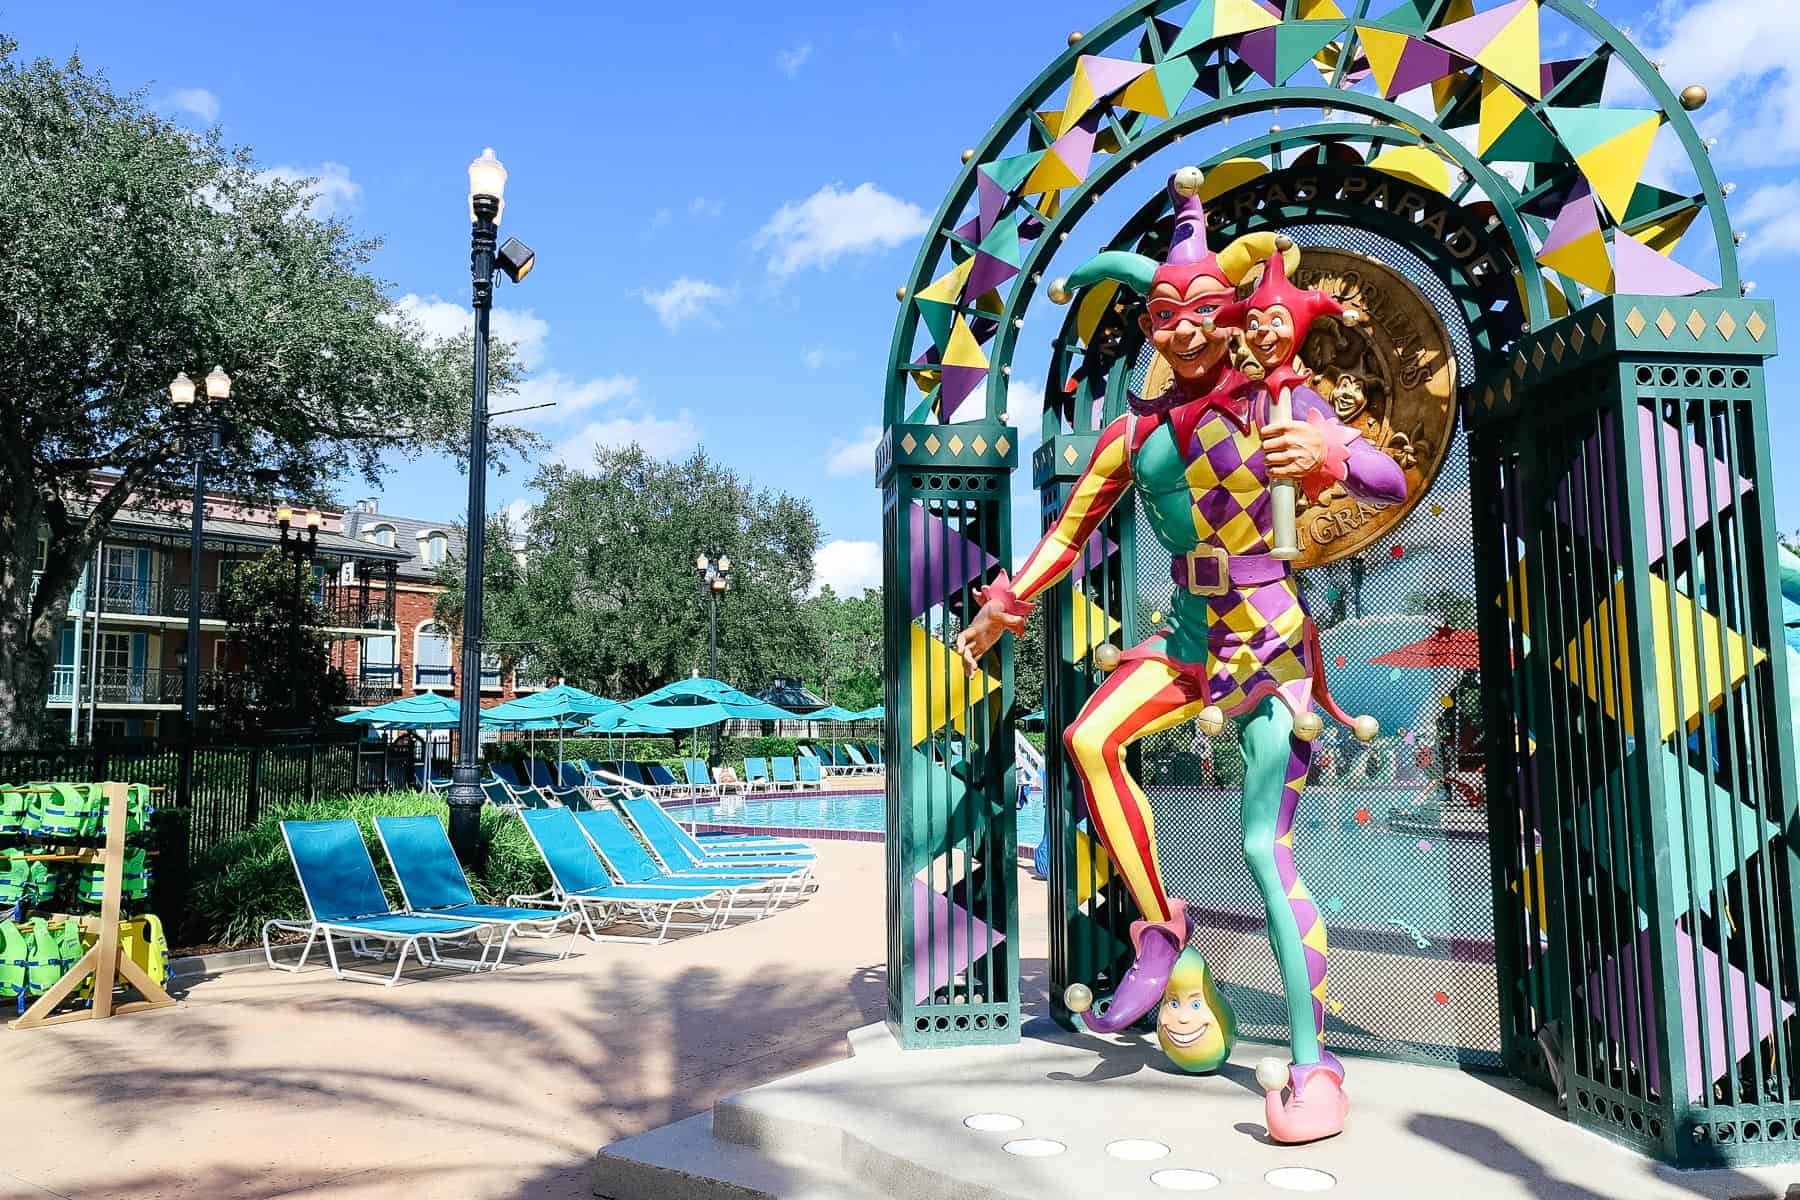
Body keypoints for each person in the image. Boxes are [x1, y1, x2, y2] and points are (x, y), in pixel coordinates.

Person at [956, 170, 1403, 1143]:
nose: (1186, 329)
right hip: (1193, 646)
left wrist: (1327, 461)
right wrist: (1005, 604)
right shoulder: (1133, 436)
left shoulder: (1273, 404)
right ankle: (1163, 930)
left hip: (1272, 652)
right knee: (1087, 737)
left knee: (1258, 848)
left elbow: (1385, 470)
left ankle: (1314, 1065)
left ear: (1232, 312)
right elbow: (1067, 537)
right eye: (1166, 313)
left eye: (1204, 309)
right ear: (1152, 327)